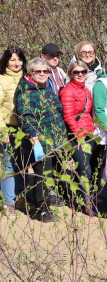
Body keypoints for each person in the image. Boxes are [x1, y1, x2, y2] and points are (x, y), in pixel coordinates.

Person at [15, 57, 69, 222]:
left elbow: (58, 110)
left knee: (49, 173)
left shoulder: (46, 89)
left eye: (44, 71)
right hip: (38, 141)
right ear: (31, 73)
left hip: (55, 139)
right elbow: (26, 118)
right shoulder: (26, 93)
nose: (42, 74)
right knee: (42, 175)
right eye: (37, 71)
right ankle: (42, 209)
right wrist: (34, 137)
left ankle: (38, 199)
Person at [60, 60, 96, 214]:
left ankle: (83, 198)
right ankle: (85, 202)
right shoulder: (68, 91)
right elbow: (68, 116)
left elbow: (87, 113)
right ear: (70, 74)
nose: (80, 74)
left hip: (89, 133)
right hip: (77, 135)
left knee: (89, 166)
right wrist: (79, 135)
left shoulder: (86, 90)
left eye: (83, 72)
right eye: (76, 72)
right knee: (84, 168)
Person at [0, 48, 25, 213]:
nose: (16, 63)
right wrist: (2, 129)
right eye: (12, 60)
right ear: (6, 62)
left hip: (25, 128)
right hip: (7, 127)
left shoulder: (27, 78)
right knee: (8, 163)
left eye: (19, 60)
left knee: (23, 163)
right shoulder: (2, 80)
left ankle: (20, 197)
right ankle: (8, 202)